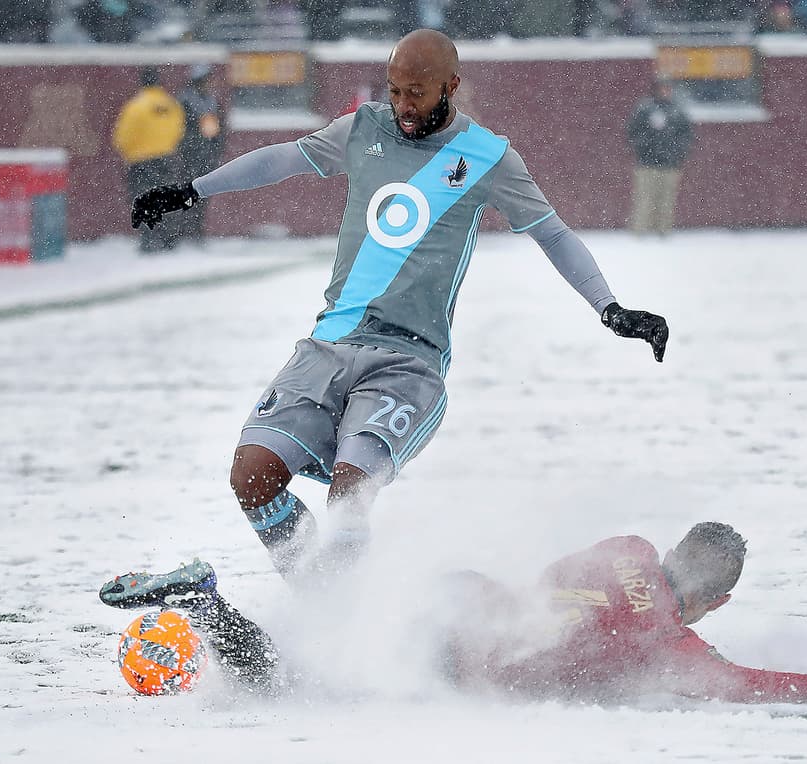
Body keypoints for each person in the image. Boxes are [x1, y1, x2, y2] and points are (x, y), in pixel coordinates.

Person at [127, 29, 671, 583]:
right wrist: (191, 189)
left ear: (451, 86)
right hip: (331, 342)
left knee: (350, 494)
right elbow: (282, 161)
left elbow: (552, 234)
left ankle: (340, 615)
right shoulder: (362, 129)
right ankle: (318, 595)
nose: (404, 106)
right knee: (252, 475)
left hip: (409, 361)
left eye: (417, 92)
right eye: (395, 92)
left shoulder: (488, 157)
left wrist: (610, 308)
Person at [99, 522, 807, 702]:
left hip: (460, 598)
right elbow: (749, 686)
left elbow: (563, 583)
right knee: (296, 688)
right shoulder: (668, 641)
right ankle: (204, 601)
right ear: (719, 600)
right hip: (462, 652)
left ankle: (224, 597)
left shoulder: (630, 544)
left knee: (333, 635)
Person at [112, 66, 185, 253]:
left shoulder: (136, 106)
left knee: (143, 201)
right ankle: (169, 240)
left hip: (141, 161)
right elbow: (179, 130)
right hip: (166, 158)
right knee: (167, 199)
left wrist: (129, 153)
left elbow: (122, 137)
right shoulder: (171, 104)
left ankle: (149, 240)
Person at [626, 78, 694, 236]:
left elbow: (686, 136)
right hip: (647, 164)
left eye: (668, 88)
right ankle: (640, 230)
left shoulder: (677, 111)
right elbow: (632, 132)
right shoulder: (644, 109)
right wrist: (645, 149)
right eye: (662, 88)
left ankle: (663, 230)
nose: (665, 92)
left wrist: (676, 153)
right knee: (645, 198)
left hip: (670, 165)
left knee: (666, 200)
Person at [172, 64, 224, 245]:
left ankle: (196, 230)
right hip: (188, 155)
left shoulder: (210, 101)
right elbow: (179, 129)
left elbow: (215, 131)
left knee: (202, 194)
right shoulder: (184, 101)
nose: (208, 84)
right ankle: (182, 231)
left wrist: (214, 149)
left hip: (204, 154)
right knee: (186, 193)